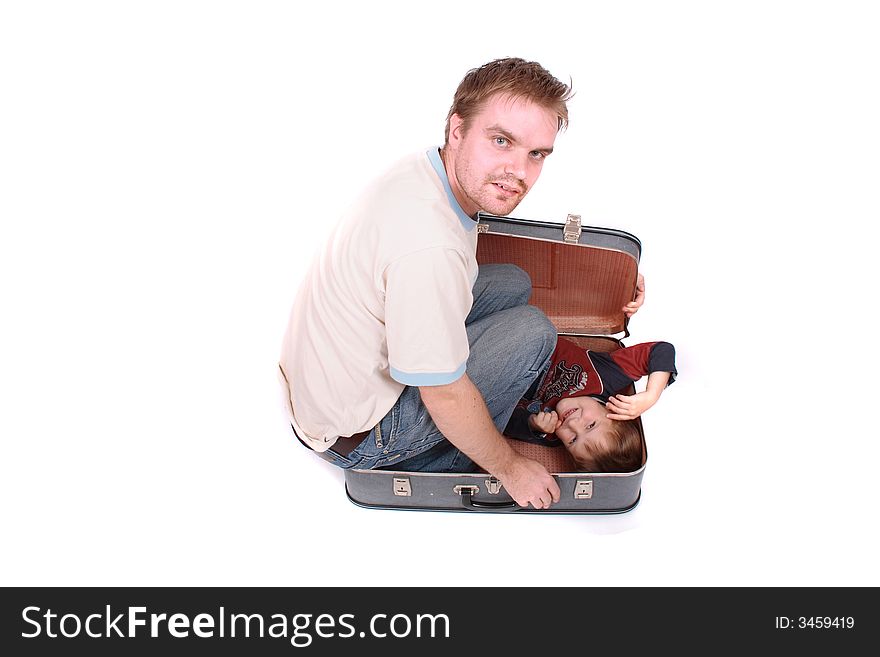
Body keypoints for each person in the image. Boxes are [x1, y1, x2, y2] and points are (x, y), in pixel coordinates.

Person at [278, 57, 644, 509]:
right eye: (501, 140)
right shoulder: (429, 251)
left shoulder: (426, 174)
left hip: (345, 375)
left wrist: (615, 284)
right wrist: (510, 465)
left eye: (536, 154)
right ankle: (445, 457)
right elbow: (444, 392)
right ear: (457, 130)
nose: (519, 172)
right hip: (356, 434)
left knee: (512, 283)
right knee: (532, 330)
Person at [504, 338, 677, 472]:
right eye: (590, 425)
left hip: (497, 375)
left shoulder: (548, 432)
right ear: (613, 411)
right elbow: (661, 350)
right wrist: (651, 395)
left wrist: (533, 424)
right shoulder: (607, 375)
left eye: (572, 440)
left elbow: (500, 419)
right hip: (526, 341)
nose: (572, 424)